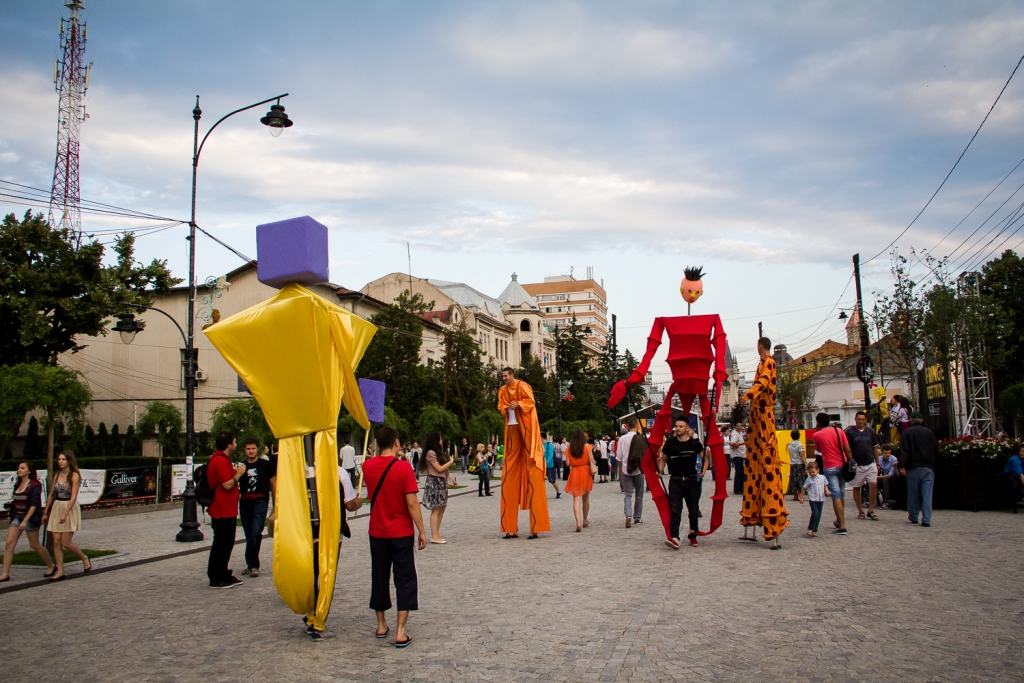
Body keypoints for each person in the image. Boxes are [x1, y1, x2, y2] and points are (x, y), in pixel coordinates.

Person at [362, 427, 427, 648]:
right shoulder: (403, 468)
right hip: (401, 531)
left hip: (377, 530)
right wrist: (422, 530)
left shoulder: (367, 466)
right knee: (405, 578)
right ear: (396, 443)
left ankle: (381, 625)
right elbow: (412, 502)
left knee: (379, 576)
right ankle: (400, 631)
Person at [739, 338, 789, 547]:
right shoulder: (762, 363)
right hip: (756, 418)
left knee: (767, 465)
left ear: (760, 346)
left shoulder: (769, 362)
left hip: (764, 417)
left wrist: (747, 395)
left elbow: (764, 382)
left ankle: (773, 523)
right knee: (753, 467)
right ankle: (751, 518)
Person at [497, 367, 551, 539]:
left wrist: (519, 404)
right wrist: (506, 407)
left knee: (533, 474)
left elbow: (530, 402)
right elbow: (500, 406)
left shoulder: (523, 386)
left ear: (512, 375)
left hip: (527, 430)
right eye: (502, 376)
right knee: (508, 476)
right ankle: (510, 527)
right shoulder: (502, 390)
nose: (504, 378)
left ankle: (536, 527)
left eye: (506, 376)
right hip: (512, 430)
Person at [40, 450, 91, 580]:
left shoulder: (74, 475)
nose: (61, 462)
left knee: (66, 542)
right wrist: (45, 512)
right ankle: (60, 570)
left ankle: (84, 558)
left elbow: (73, 496)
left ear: (69, 461)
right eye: (59, 459)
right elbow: (51, 494)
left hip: (69, 507)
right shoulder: (57, 474)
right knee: (56, 541)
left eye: (63, 459)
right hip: (57, 506)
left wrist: (65, 513)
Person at [0, 462, 54, 581]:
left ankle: (51, 565)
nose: (19, 470)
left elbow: (34, 505)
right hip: (17, 515)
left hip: (30, 517)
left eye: (22, 468)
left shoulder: (34, 485)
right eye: (18, 468)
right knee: (9, 544)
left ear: (29, 471)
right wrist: (10, 505)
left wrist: (25, 521)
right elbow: (17, 499)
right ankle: (5, 573)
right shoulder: (18, 483)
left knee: (34, 545)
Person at [205, 432, 246, 588]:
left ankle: (223, 573)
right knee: (222, 543)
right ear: (229, 444)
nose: (236, 444)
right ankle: (216, 577)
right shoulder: (219, 460)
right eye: (234, 441)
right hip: (221, 509)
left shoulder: (224, 459)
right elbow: (227, 484)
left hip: (228, 509)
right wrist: (239, 474)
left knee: (227, 543)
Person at [659, 419, 707, 549]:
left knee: (693, 510)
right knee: (675, 509)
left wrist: (703, 470)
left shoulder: (694, 443)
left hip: (691, 480)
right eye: (676, 426)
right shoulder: (670, 443)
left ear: (687, 428)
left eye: (681, 426)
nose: (678, 428)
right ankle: (675, 537)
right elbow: (663, 459)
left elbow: (705, 458)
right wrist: (660, 470)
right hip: (675, 480)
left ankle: (693, 535)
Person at [238, 437, 276, 577]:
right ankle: (251, 564)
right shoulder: (241, 467)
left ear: (257, 449)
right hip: (245, 503)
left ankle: (254, 565)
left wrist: (276, 502)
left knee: (256, 531)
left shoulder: (265, 465)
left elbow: (273, 483)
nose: (251, 451)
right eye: (248, 449)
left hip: (260, 501)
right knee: (249, 534)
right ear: (244, 450)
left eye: (253, 448)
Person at [812, 412, 853, 535]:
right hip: (842, 464)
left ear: (818, 422)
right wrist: (851, 461)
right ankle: (839, 520)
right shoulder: (839, 431)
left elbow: (818, 449)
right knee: (841, 494)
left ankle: (842, 526)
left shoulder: (817, 435)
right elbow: (847, 449)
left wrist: (818, 431)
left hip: (829, 466)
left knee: (835, 496)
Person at [898, 411, 936, 527]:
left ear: (910, 420)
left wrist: (902, 465)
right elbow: (935, 449)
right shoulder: (930, 433)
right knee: (927, 494)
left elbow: (904, 450)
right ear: (922, 420)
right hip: (928, 466)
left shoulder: (907, 432)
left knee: (913, 493)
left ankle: (914, 516)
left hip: (913, 466)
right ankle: (926, 519)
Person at [845, 411, 881, 521]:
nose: (860, 421)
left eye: (862, 419)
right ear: (855, 420)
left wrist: (877, 462)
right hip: (857, 464)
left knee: (873, 485)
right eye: (858, 419)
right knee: (857, 487)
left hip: (870, 463)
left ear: (865, 420)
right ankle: (860, 511)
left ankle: (871, 510)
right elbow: (846, 447)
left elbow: (875, 448)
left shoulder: (870, 432)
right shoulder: (850, 432)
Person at [418, 432, 452, 544]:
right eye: (440, 439)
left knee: (442, 507)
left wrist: (449, 479)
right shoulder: (431, 453)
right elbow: (439, 468)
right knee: (436, 508)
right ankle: (434, 535)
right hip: (435, 481)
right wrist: (451, 462)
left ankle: (437, 533)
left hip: (441, 481)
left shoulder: (438, 452)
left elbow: (444, 470)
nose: (442, 440)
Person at [563, 428, 595, 532]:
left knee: (576, 499)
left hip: (575, 472)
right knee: (585, 498)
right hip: (585, 472)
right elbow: (592, 460)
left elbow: (567, 463)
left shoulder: (569, 448)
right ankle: (585, 519)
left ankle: (578, 522)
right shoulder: (587, 447)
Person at [616, 417, 645, 527]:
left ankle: (628, 514)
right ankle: (637, 517)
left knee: (628, 494)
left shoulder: (622, 439)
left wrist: (620, 469)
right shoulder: (640, 438)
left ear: (627, 426)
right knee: (639, 494)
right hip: (638, 469)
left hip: (626, 468)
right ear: (637, 426)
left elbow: (619, 456)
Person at [801, 460, 831, 537]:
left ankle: (815, 530)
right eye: (810, 472)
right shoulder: (809, 479)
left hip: (821, 498)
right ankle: (810, 528)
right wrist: (802, 497)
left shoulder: (822, 477)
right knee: (815, 513)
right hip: (812, 499)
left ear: (818, 470)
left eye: (813, 472)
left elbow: (825, 484)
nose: (812, 474)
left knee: (819, 515)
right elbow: (804, 488)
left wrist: (826, 490)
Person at [786, 430, 807, 503]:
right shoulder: (799, 444)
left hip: (792, 463)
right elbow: (801, 455)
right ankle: (801, 496)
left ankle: (795, 495)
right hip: (799, 464)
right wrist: (806, 463)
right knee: (800, 479)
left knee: (793, 479)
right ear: (799, 436)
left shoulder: (789, 444)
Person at [877, 444, 899, 509]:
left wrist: (877, 477)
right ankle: (867, 500)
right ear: (882, 453)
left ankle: (886, 502)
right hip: (883, 475)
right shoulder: (879, 459)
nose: (888, 455)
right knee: (871, 480)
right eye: (886, 453)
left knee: (885, 480)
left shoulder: (893, 459)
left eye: (889, 453)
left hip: (892, 478)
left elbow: (890, 475)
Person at [542, 432, 560, 499]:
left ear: (542, 437)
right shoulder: (539, 445)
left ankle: (558, 492)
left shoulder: (549, 444)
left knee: (552, 480)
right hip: (541, 466)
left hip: (549, 466)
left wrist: (546, 463)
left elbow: (550, 455)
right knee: (541, 480)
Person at [730, 423, 746, 494]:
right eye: (738, 426)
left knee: (741, 472)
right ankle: (737, 489)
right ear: (735, 427)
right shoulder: (735, 434)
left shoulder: (740, 433)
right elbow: (732, 443)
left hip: (741, 455)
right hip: (737, 455)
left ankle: (741, 488)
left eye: (740, 426)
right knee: (739, 472)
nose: (739, 427)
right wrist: (738, 445)